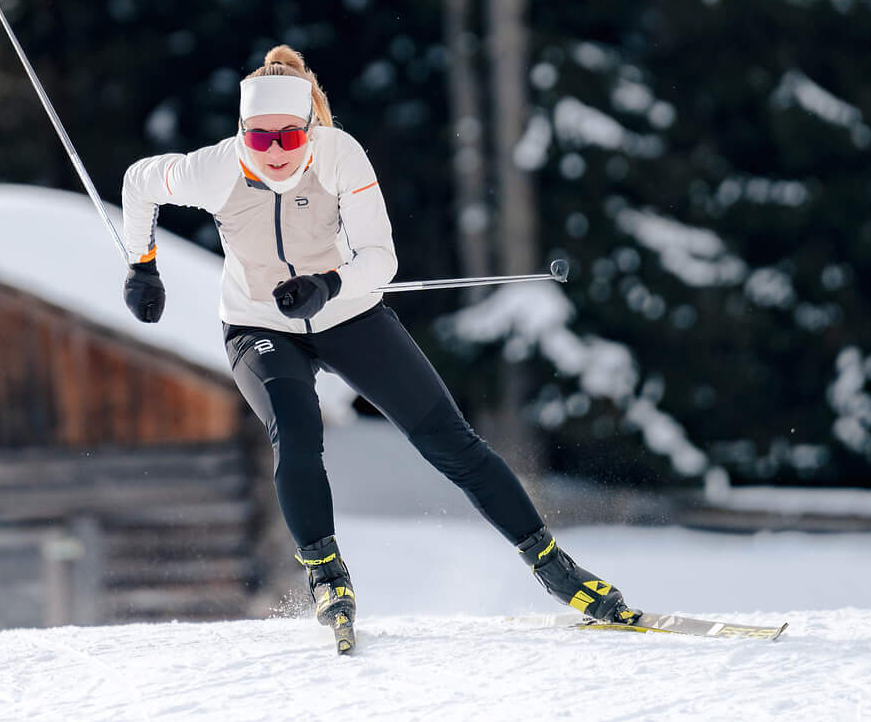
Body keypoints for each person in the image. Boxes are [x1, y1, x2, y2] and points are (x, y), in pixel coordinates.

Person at [118, 44, 636, 653]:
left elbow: (380, 258)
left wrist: (327, 284)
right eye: (259, 139)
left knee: (449, 441)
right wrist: (142, 265)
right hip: (259, 323)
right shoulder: (213, 170)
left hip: (347, 311)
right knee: (296, 429)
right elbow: (138, 182)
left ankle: (553, 566)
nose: (276, 151)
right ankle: (327, 576)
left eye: (289, 137)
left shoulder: (340, 156)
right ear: (241, 134)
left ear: (310, 130)